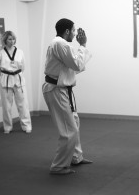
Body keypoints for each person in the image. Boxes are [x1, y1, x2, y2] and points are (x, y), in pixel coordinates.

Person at [42, 18, 93, 175]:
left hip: (63, 89)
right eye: (74, 30)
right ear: (67, 31)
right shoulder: (60, 44)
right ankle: (58, 166)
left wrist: (80, 50)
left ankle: (75, 157)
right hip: (57, 90)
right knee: (68, 130)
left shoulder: (61, 44)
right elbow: (77, 64)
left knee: (74, 123)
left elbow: (72, 68)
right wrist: (83, 45)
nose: (76, 33)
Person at [0, 31, 32, 134]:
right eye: (9, 39)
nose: (12, 41)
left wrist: (16, 75)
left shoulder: (20, 52)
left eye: (13, 39)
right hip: (5, 80)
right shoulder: (0, 54)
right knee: (6, 106)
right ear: (5, 40)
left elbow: (23, 67)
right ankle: (7, 127)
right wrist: (6, 75)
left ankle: (26, 126)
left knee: (23, 104)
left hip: (18, 79)